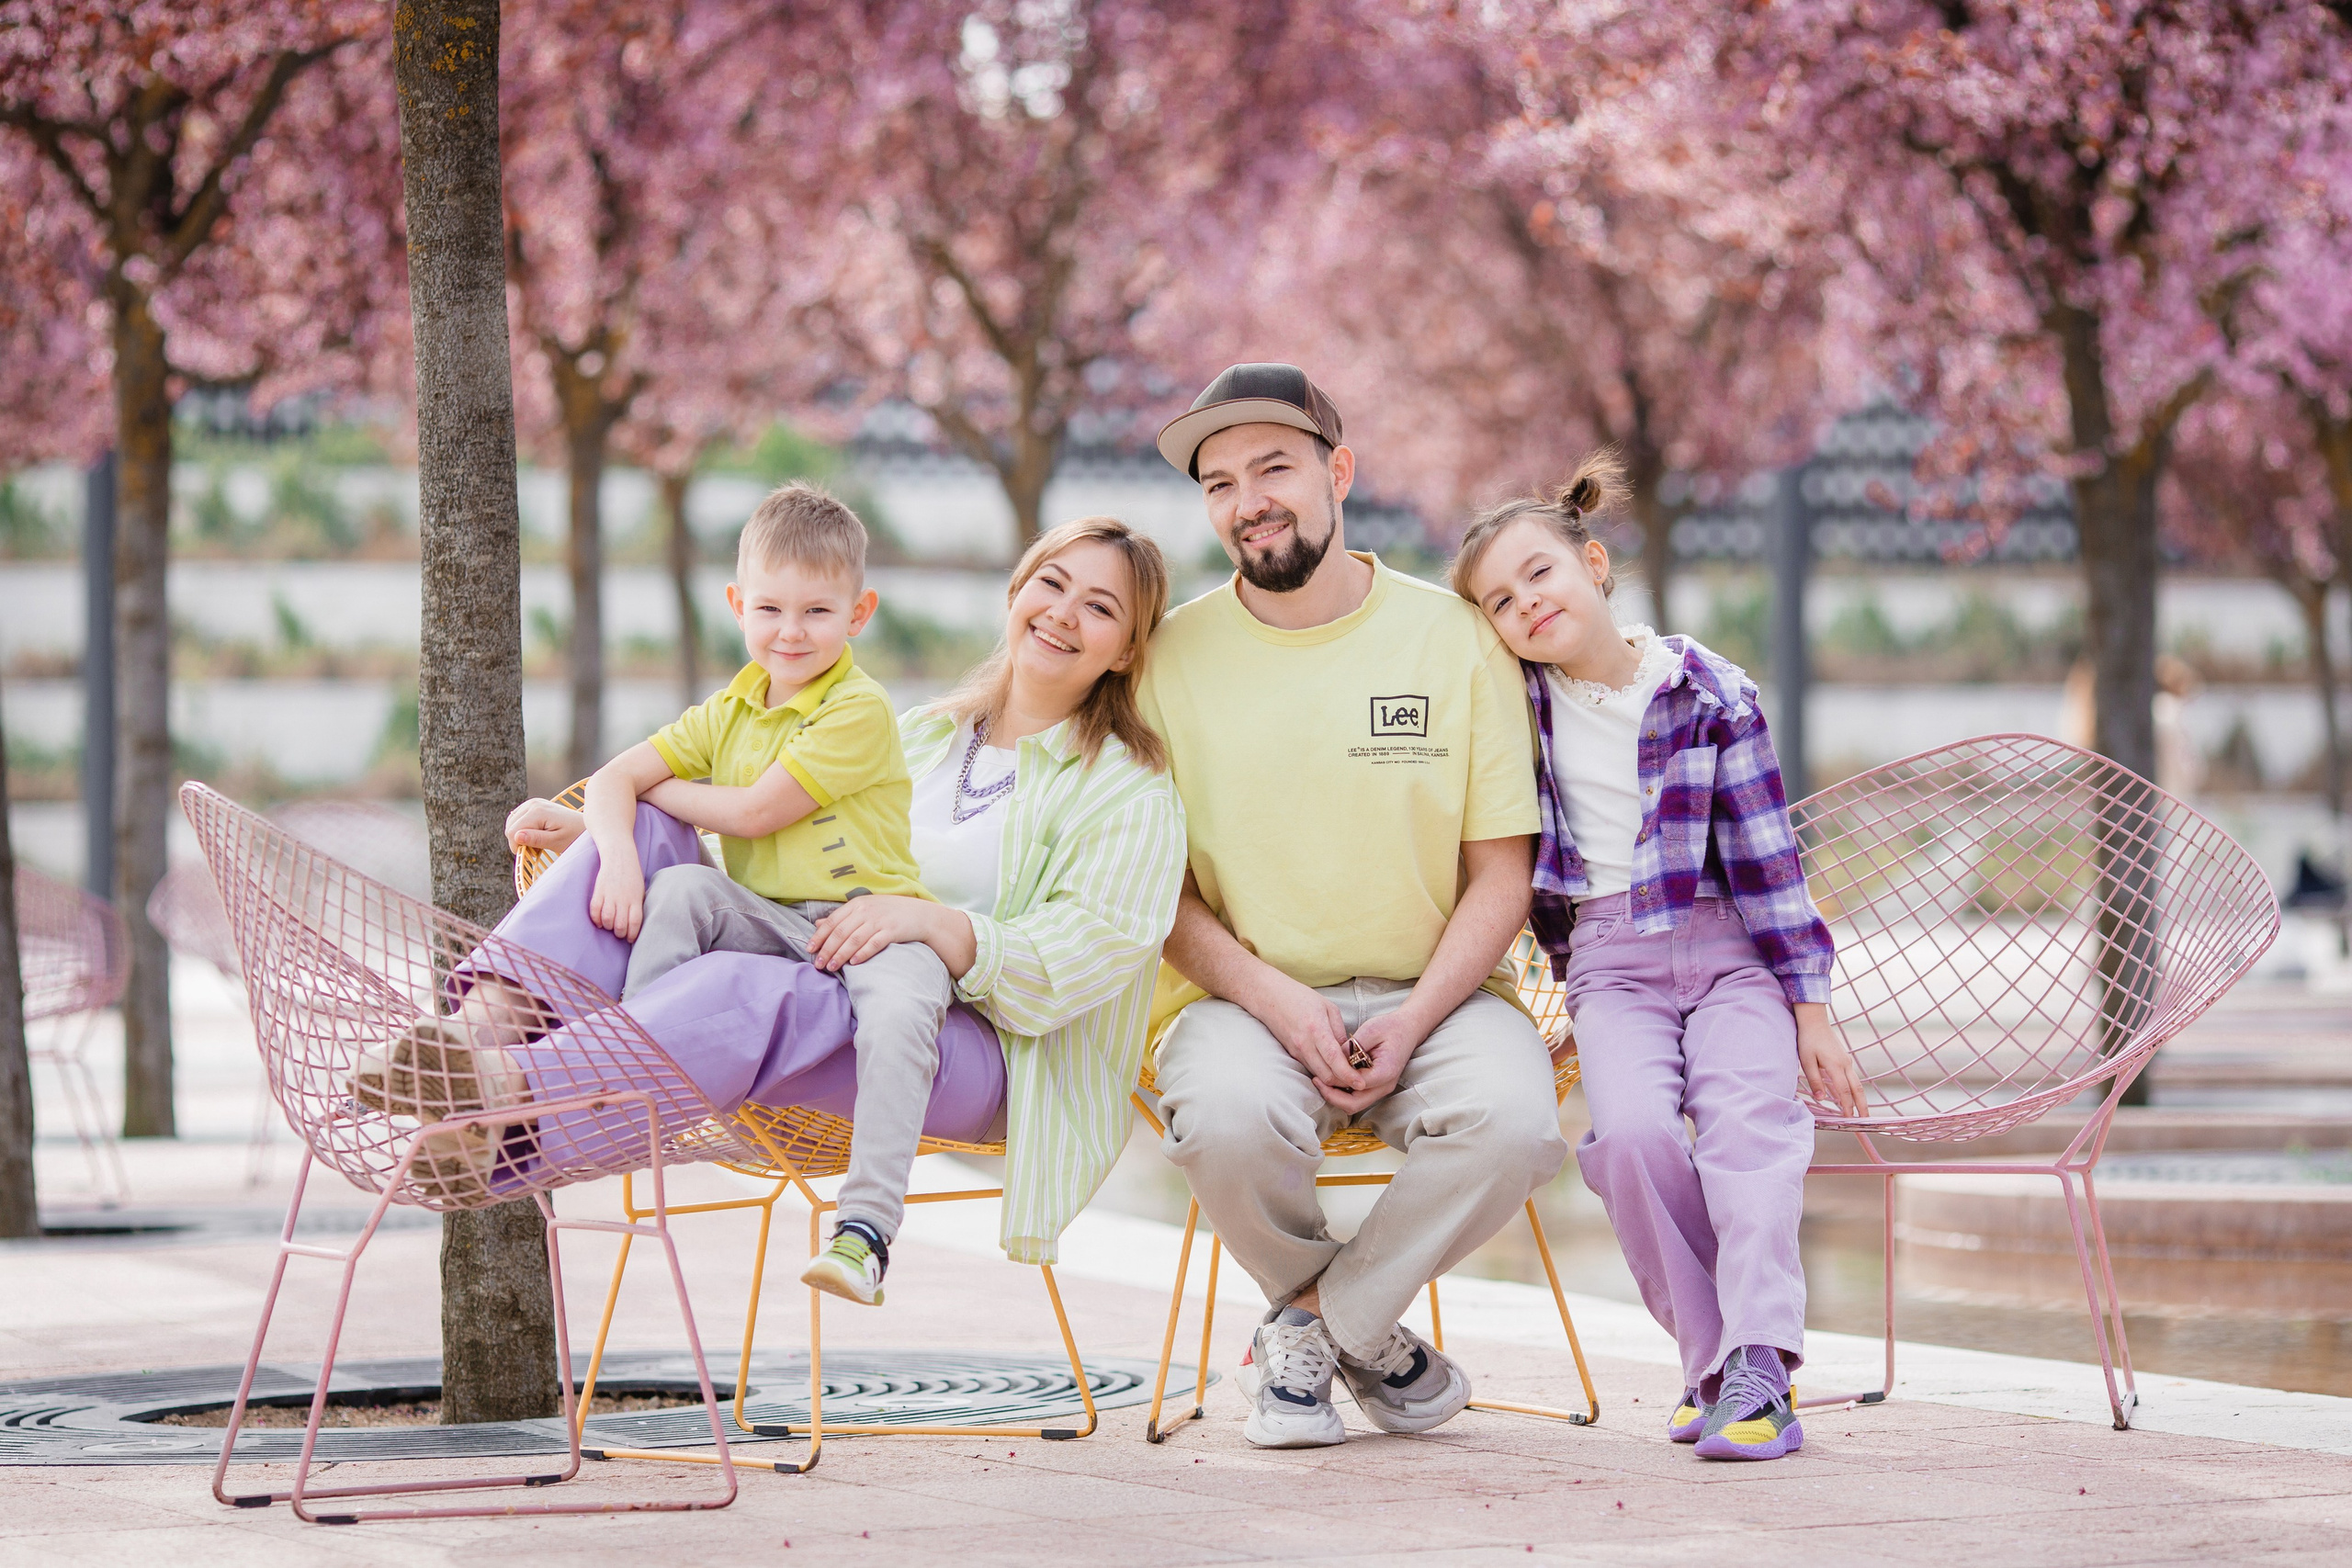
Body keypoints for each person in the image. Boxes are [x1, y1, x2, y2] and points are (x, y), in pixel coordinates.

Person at [356, 506, 1186, 1290]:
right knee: (646, 833)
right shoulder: (926, 734)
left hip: (982, 1047)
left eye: (1099, 606)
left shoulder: (1130, 795)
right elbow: (798, 863)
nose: (1063, 612)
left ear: (1125, 650)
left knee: (746, 988)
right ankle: (476, 1034)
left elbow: (1077, 962)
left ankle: (512, 1107)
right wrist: (605, 836)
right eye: (1052, 583)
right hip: (826, 955)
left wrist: (930, 922)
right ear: (1017, 592)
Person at [1136, 363, 1569, 1450]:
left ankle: (1313, 1330)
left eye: (1274, 468)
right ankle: (1371, 1340)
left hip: (1441, 997)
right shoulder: (1167, 658)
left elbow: (1501, 872)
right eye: (1220, 483)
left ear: (1338, 472)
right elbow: (1159, 895)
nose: (1249, 501)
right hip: (1243, 1001)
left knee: (1517, 1124)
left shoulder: (1453, 638)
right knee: (1224, 1119)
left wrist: (1415, 1017)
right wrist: (1278, 1002)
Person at [1452, 453, 1868, 1462]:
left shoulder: (1712, 691)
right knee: (1632, 1141)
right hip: (1608, 964)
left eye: (1539, 573)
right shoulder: (1514, 712)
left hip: (1730, 951)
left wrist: (1810, 1007)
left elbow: (1771, 865)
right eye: (1500, 602)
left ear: (1593, 564)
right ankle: (1713, 1359)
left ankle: (1758, 1368)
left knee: (1749, 1136)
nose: (1526, 604)